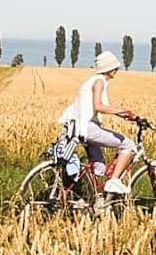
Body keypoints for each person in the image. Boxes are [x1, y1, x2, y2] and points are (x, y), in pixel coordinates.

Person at [59, 50, 137, 197]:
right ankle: (114, 181)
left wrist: (123, 114)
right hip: (88, 128)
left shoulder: (93, 81)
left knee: (99, 168)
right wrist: (121, 111)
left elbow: (101, 105)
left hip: (79, 128)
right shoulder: (99, 82)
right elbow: (98, 106)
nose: (117, 70)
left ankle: (92, 198)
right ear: (108, 68)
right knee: (128, 145)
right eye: (115, 67)